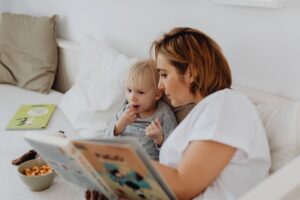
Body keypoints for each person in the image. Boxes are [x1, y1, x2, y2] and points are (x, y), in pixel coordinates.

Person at [150, 27, 271, 200]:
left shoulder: (226, 104)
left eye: (164, 74)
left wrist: (125, 167)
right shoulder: (205, 111)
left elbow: (182, 185)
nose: (160, 85)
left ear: (191, 72)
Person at [104, 59, 177, 160]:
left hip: (146, 164)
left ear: (157, 94)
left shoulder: (163, 114)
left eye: (140, 92)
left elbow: (174, 151)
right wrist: (119, 126)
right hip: (120, 159)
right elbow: (105, 140)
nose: (132, 97)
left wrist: (159, 139)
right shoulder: (125, 110)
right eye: (129, 90)